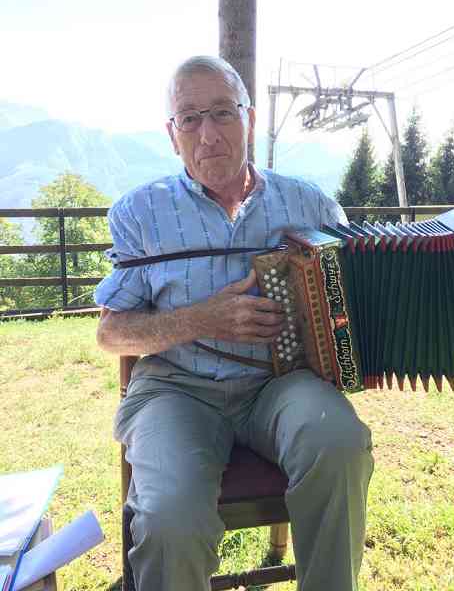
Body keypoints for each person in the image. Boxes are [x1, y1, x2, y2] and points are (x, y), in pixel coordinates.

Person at [94, 55, 374, 591]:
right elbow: (110, 332)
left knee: (340, 442)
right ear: (172, 134)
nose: (208, 135)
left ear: (249, 119)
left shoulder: (308, 202)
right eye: (190, 118)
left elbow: (357, 282)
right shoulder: (139, 213)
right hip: (175, 389)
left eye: (222, 113)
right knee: (169, 516)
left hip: (281, 384)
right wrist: (202, 318)